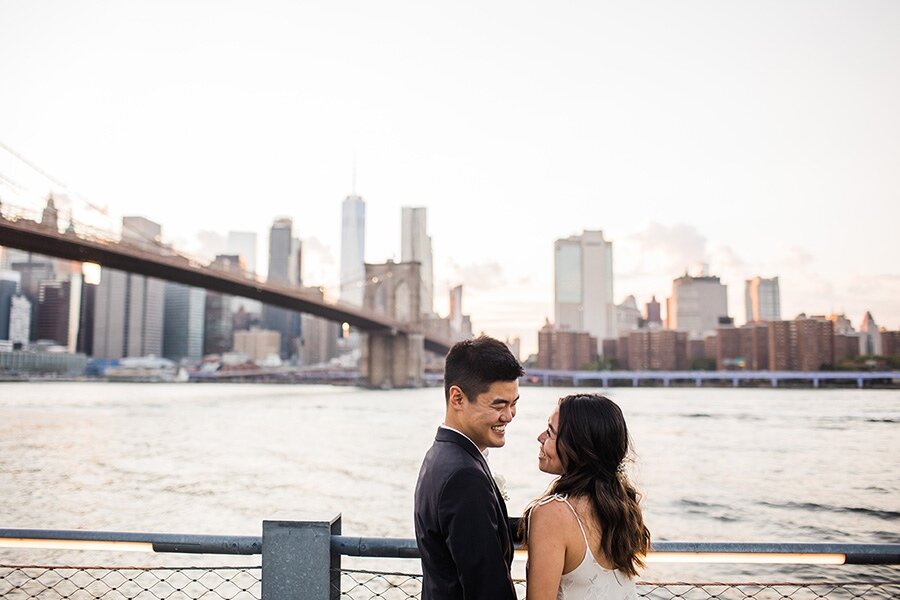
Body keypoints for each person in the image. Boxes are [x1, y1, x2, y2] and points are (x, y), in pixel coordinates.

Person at [414, 335, 525, 600]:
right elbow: (487, 588)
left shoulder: (440, 455)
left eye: (514, 404)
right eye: (499, 405)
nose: (509, 416)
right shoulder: (464, 477)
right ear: (458, 398)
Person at [524, 394, 650, 600]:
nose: (540, 437)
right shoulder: (621, 504)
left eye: (550, 432)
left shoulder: (552, 514)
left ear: (576, 447)